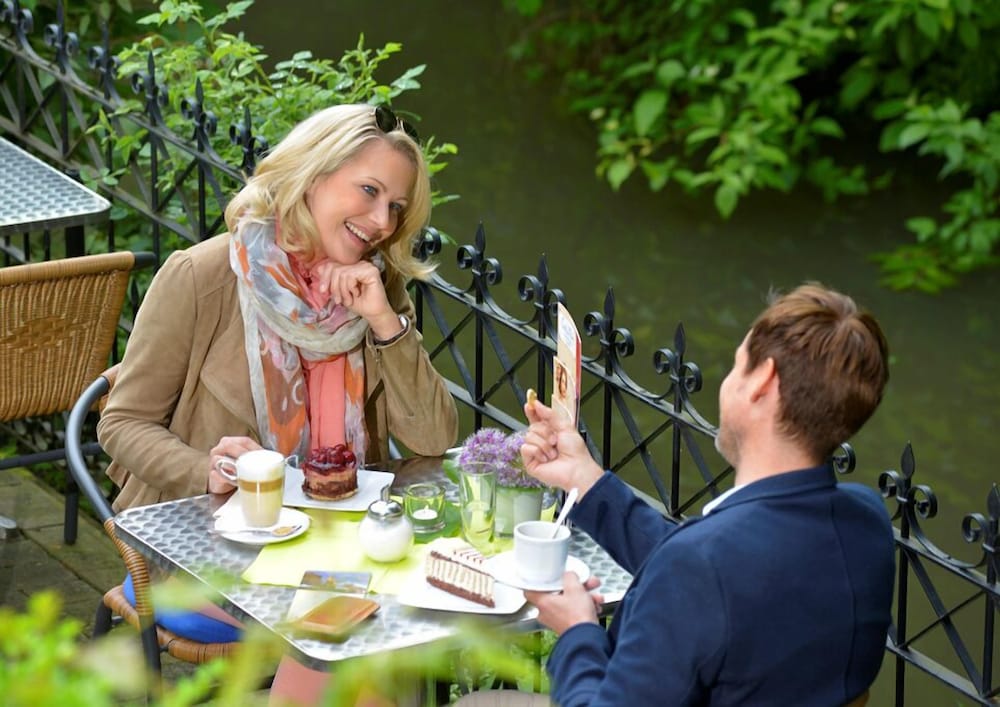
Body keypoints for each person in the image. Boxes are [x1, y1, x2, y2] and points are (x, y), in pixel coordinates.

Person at [97, 103, 459, 703]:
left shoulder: (373, 288)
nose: (381, 221)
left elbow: (431, 439)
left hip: (341, 539)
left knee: (392, 612)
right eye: (368, 191)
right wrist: (205, 468)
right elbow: (122, 423)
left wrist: (382, 321)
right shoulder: (204, 276)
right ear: (312, 176)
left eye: (395, 207)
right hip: (212, 546)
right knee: (348, 628)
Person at [510, 283, 895, 706]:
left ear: (761, 382)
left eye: (736, 366)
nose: (727, 381)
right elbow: (717, 576)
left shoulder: (702, 567)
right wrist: (584, 480)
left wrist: (578, 632)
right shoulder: (867, 522)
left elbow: (703, 573)